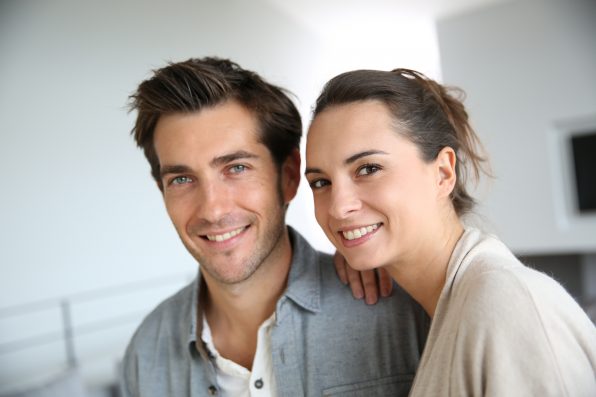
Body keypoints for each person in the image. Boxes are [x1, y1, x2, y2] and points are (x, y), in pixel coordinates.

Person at [120, 58, 429, 397]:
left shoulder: (399, 314)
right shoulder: (145, 352)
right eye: (181, 179)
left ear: (289, 176)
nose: (213, 209)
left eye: (236, 168)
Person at [305, 68, 596, 396]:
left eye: (368, 169)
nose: (338, 207)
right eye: (321, 182)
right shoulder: (442, 310)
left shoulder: (507, 304)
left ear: (443, 173)